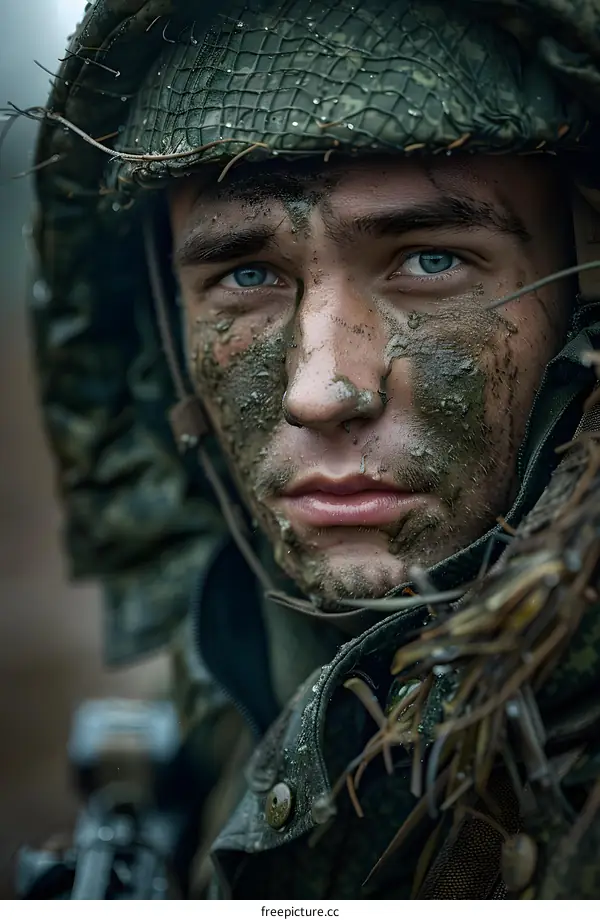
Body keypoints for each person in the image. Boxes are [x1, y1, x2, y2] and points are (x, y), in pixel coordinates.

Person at [27, 0, 600, 898]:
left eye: (431, 260)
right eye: (247, 277)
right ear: (166, 337)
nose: (321, 389)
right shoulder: (217, 706)